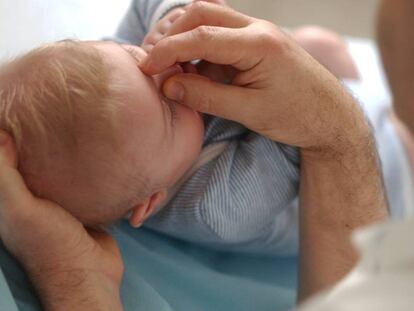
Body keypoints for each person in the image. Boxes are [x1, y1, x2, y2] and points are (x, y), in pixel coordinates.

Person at [0, 2, 389, 310]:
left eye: (137, 55)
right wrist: (273, 77)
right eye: (170, 113)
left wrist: (170, 21)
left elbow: (142, 9)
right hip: (377, 182)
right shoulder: (217, 205)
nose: (171, 76)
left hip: (343, 115)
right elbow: (302, 143)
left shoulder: (122, 100)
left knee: (319, 42)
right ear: (151, 201)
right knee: (327, 54)